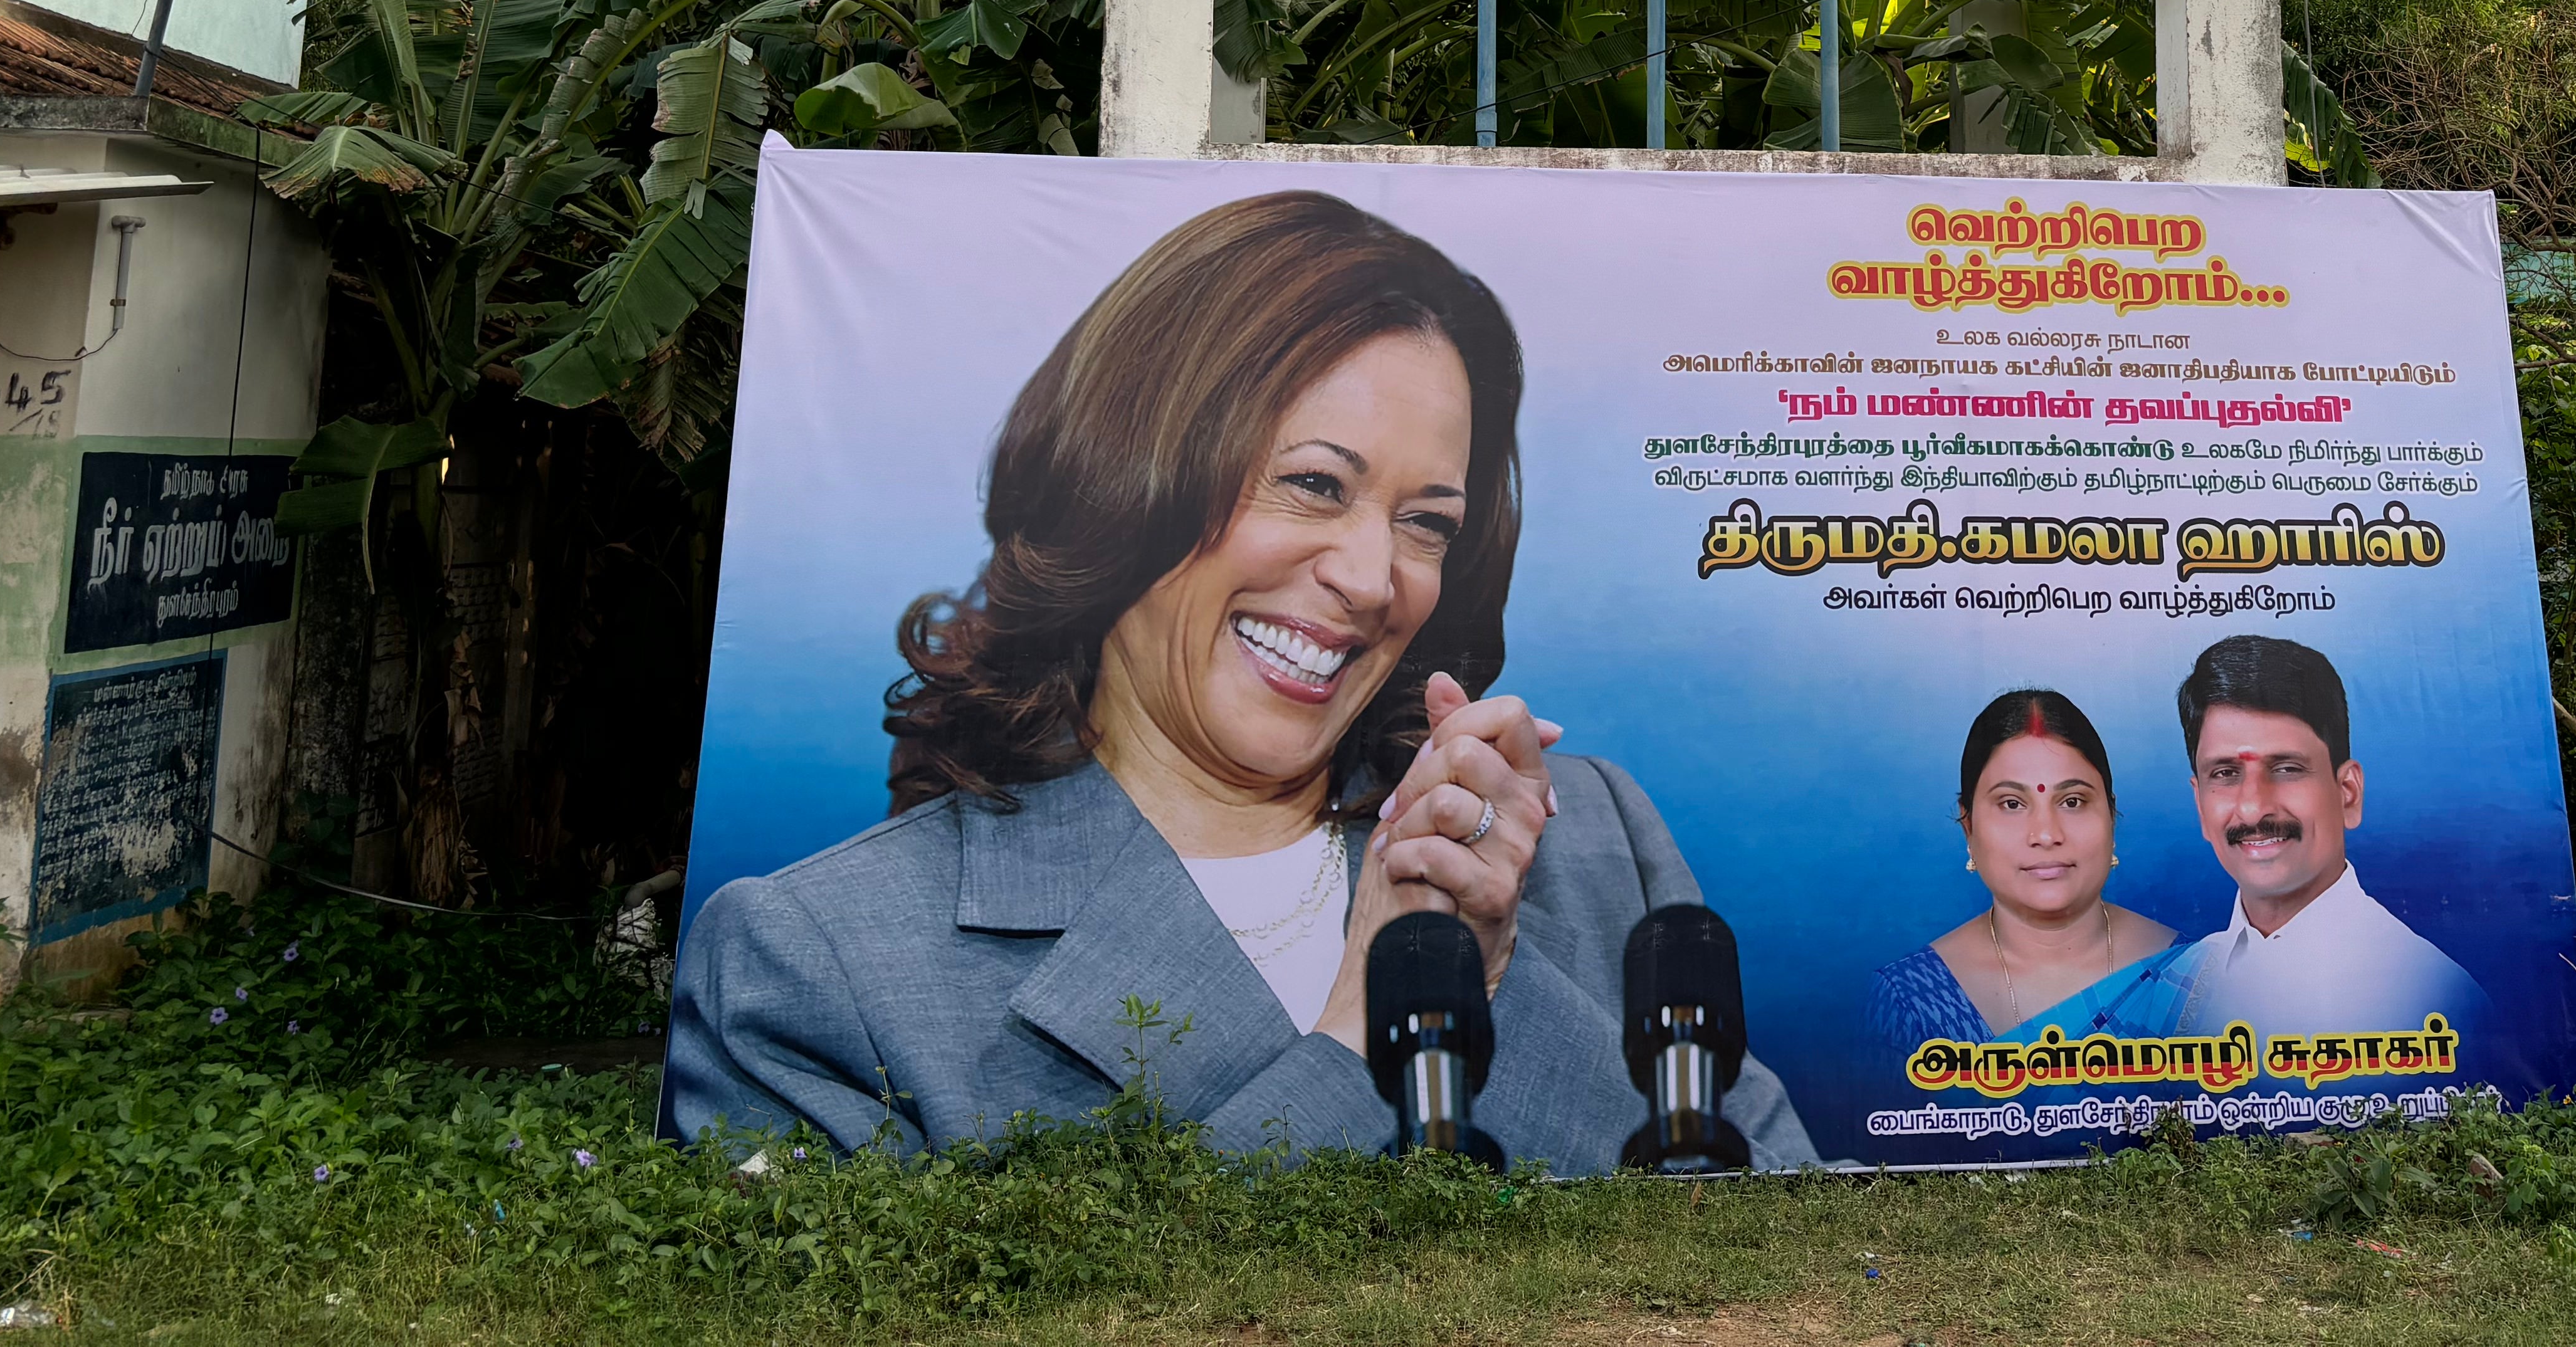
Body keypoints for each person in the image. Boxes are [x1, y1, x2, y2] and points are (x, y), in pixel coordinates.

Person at [663, 189, 1814, 1173]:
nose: (1372, 577)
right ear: (1126, 477)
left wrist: (1489, 963)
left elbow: (1803, 1245)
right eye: (1314, 483)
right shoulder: (816, 965)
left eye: (1425, 521)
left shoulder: (1591, 834)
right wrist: (1372, 1025)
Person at [2170, 634, 2487, 1047]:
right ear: (2200, 805)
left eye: (2286, 768)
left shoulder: (2437, 999)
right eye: (2226, 774)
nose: (2252, 810)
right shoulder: (2174, 989)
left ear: (2348, 794)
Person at [1864, 689, 2194, 1062]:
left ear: (2111, 816)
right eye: (2011, 804)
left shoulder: (2193, 977)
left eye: (2072, 802)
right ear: (1968, 826)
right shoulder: (1911, 1000)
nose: (2046, 834)